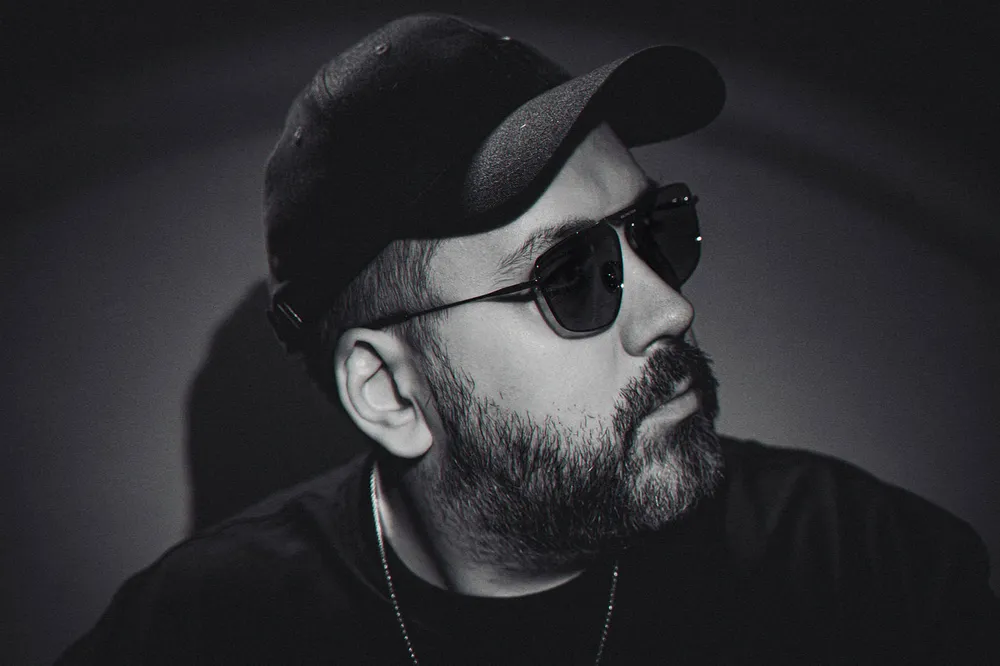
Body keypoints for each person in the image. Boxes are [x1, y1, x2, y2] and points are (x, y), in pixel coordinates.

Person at [57, 13, 998, 665]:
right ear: (390, 392)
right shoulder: (199, 634)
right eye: (568, 275)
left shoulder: (861, 570)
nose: (671, 311)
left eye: (656, 232)